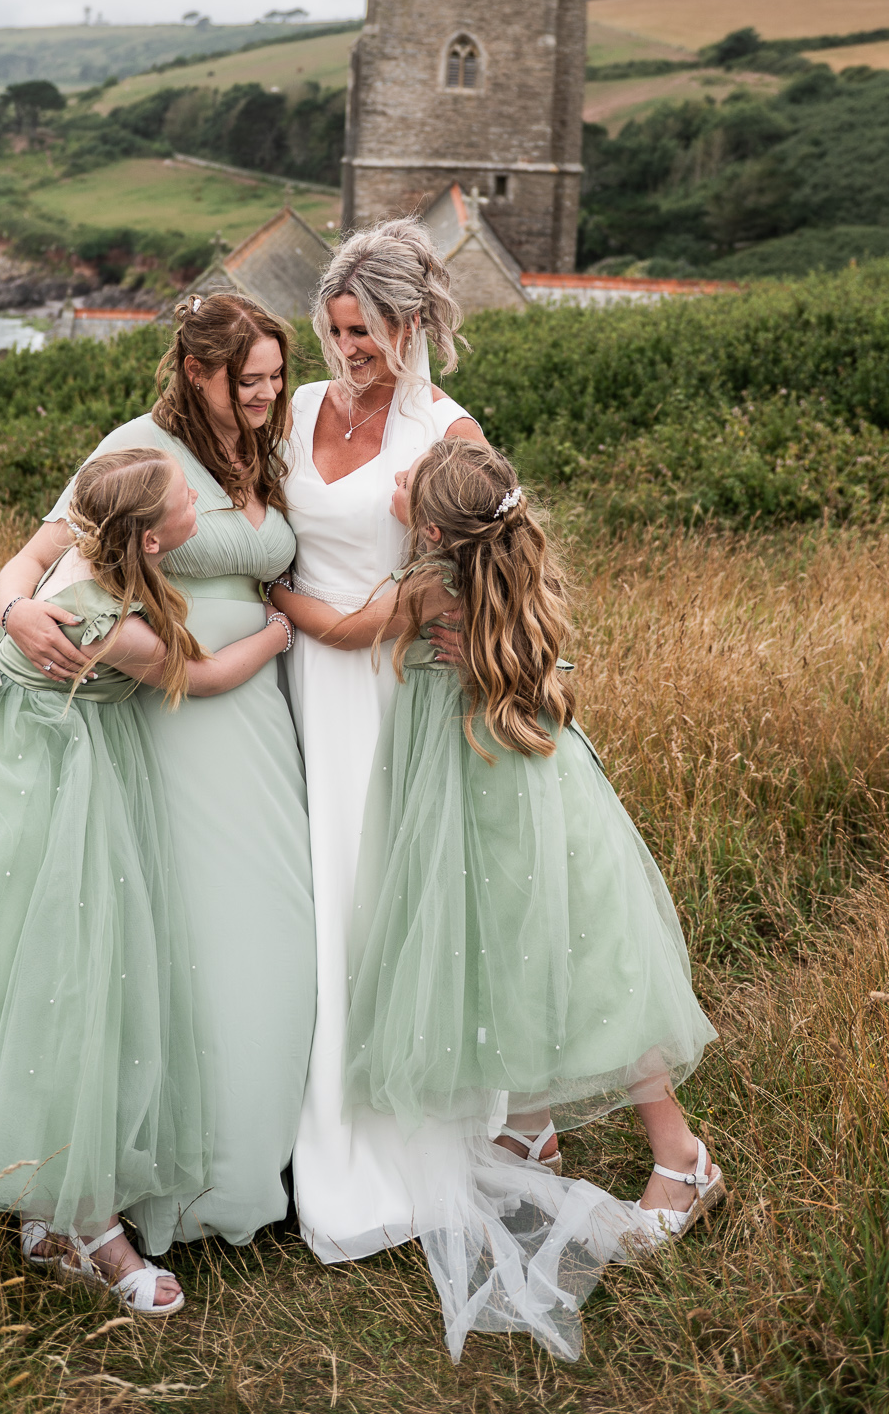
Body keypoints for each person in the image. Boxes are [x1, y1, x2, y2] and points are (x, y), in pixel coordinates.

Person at [279, 435, 723, 1359]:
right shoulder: (523, 572)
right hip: (533, 788)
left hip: (472, 792)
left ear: (434, 531)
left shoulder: (425, 588)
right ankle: (526, 1129)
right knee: (525, 950)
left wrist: (273, 593)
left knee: (542, 957)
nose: (398, 480)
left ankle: (682, 1160)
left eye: (413, 484)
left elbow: (343, 630)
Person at [0, 448, 299, 1317]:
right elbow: (205, 678)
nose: (199, 506)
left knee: (37, 978)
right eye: (186, 502)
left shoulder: (87, 547)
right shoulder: (110, 622)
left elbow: (29, 569)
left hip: (5, 754)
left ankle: (49, 1204)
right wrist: (275, 635)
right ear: (152, 538)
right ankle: (93, 1230)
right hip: (28, 779)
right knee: (70, 979)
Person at [0, 295, 317, 1249]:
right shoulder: (138, 447)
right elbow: (36, 558)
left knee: (280, 927)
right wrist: (15, 612)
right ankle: (173, 1177)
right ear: (195, 371)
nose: (263, 394)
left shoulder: (268, 447)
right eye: (245, 379)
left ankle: (262, 1163)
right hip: (172, 720)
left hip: (258, 714)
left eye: (274, 377)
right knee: (198, 936)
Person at [267, 218, 483, 1265]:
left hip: (381, 687)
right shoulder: (296, 406)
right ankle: (276, 1119)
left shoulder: (446, 430)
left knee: (361, 889)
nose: (350, 350)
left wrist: (299, 609)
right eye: (338, 328)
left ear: (414, 323)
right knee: (292, 888)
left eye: (368, 331)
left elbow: (456, 573)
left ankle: (370, 1126)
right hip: (284, 680)